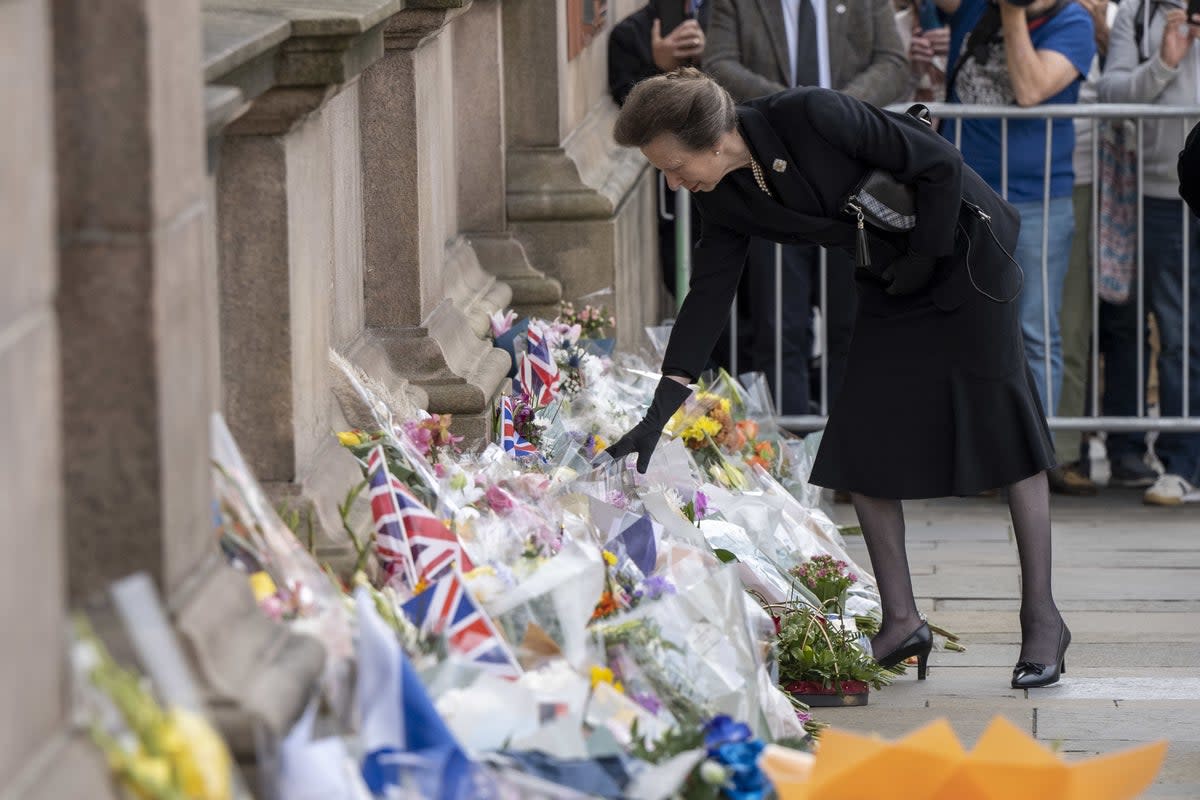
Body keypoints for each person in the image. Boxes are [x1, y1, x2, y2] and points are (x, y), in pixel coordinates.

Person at [605, 68, 1068, 688]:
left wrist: (927, 259)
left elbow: (938, 163)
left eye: (673, 165)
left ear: (713, 141)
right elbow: (710, 293)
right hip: (890, 273)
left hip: (961, 254)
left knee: (1004, 428)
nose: (672, 181)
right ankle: (902, 622)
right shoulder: (721, 192)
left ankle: (1043, 619)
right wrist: (659, 412)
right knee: (861, 438)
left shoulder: (813, 115)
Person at [701, 0, 910, 416]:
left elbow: (894, 63)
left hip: (851, 180)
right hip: (773, 181)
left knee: (850, 320)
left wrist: (836, 112)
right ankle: (788, 453)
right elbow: (718, 65)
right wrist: (797, 110)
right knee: (780, 323)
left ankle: (851, 445)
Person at [943, 0, 1096, 439]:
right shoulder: (974, 7)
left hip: (1036, 200)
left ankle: (1029, 457)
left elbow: (1030, 90)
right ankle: (974, 452)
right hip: (964, 197)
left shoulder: (1072, 21)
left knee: (1032, 332)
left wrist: (1012, 13)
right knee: (962, 326)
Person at [1098, 0, 1200, 504]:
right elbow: (1112, 92)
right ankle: (1182, 464)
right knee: (1177, 331)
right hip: (1163, 194)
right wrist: (1164, 63)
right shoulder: (1137, 14)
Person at [609, 0, 710, 301]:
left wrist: (710, 59)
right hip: (681, 205)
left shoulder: (732, 19)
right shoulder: (630, 34)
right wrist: (661, 70)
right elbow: (631, 114)